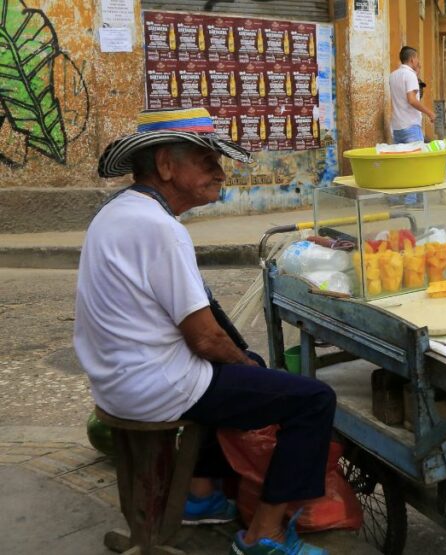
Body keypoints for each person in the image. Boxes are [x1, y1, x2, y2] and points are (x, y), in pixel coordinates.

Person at [76, 107, 337, 555]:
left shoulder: (116, 211)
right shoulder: (160, 228)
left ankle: (201, 497)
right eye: (206, 161)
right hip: (153, 386)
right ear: (164, 165)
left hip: (115, 381)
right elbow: (205, 339)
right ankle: (265, 534)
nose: (220, 172)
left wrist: (243, 367)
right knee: (313, 400)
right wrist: (244, 363)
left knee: (242, 375)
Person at [389, 45, 435, 144]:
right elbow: (412, 100)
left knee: (402, 158)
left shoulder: (393, 76)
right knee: (416, 158)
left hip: (397, 127)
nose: (418, 61)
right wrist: (429, 113)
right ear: (412, 59)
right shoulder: (410, 75)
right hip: (411, 126)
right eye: (417, 58)